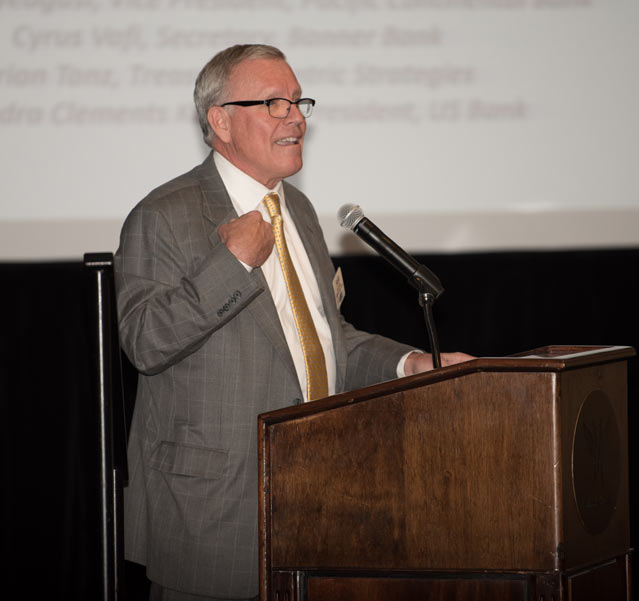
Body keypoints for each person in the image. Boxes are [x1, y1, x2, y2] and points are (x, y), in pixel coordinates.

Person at [114, 44, 471, 600]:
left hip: (315, 501)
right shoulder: (164, 215)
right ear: (220, 120)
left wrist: (411, 363)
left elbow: (327, 341)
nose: (297, 117)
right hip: (213, 511)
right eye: (274, 103)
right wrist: (230, 265)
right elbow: (144, 342)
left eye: (299, 101)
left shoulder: (298, 212)